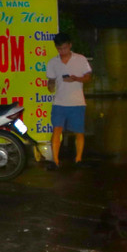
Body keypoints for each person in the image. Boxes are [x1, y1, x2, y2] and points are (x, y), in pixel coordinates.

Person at [45, 33, 92, 168]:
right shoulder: (53, 62)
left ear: (70, 45)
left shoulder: (80, 59)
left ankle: (78, 159)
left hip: (77, 102)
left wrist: (77, 78)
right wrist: (51, 83)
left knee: (79, 131)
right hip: (59, 102)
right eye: (59, 49)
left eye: (65, 48)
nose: (62, 51)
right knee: (57, 130)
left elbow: (88, 77)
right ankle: (55, 161)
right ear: (56, 48)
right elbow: (50, 85)